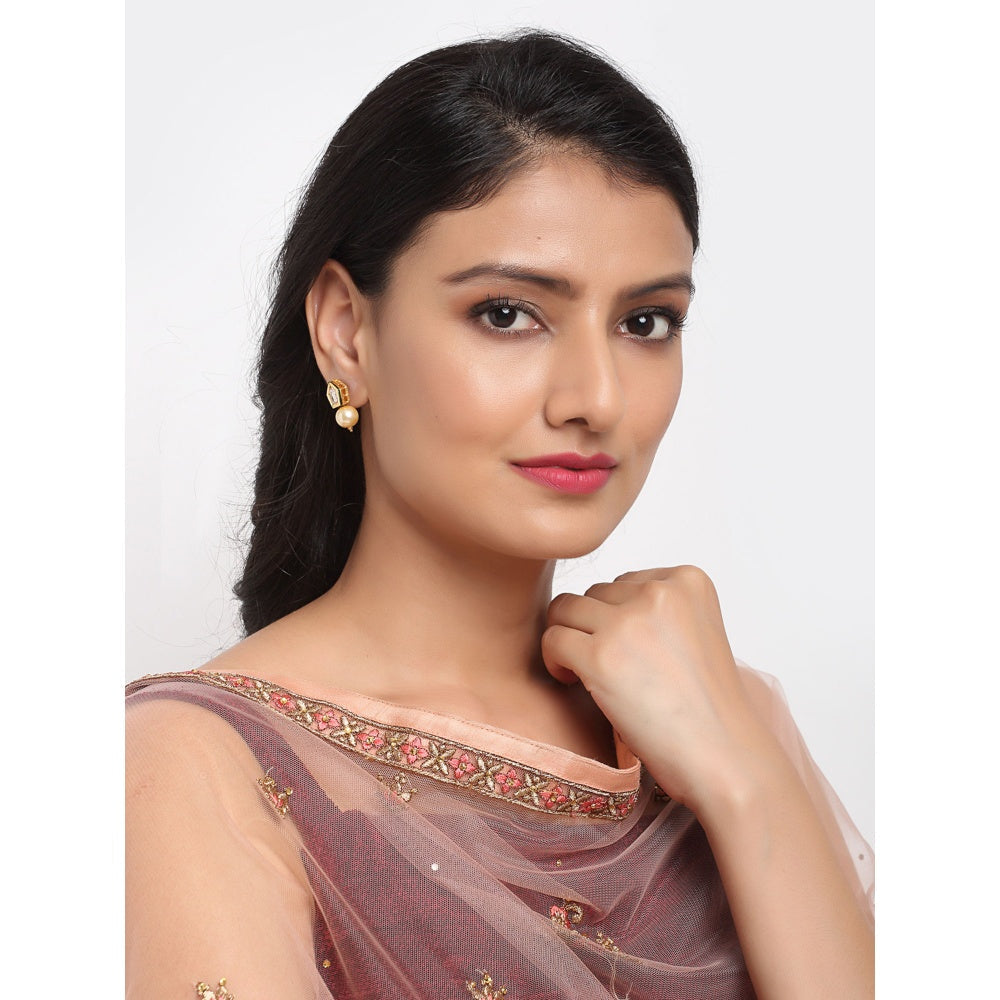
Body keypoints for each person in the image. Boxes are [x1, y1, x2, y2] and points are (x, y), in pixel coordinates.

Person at [125, 30, 874, 1000]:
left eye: (645, 322)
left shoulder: (725, 716)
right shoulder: (192, 764)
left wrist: (749, 785)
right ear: (346, 331)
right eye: (508, 313)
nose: (596, 397)